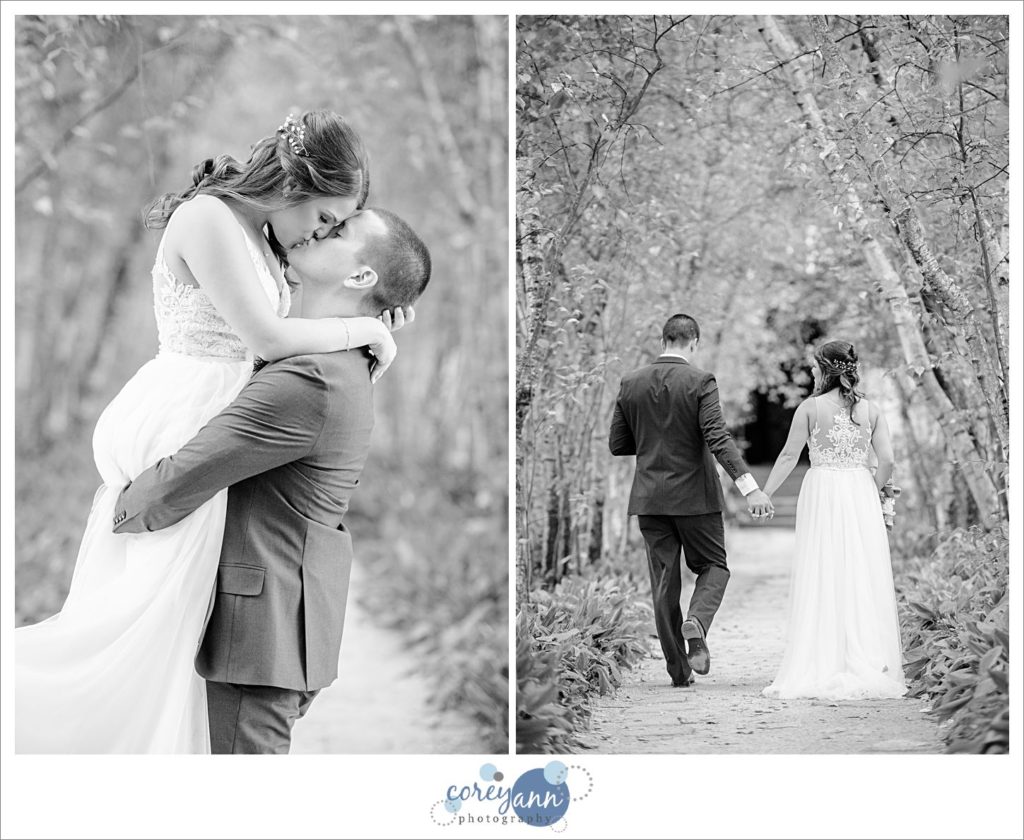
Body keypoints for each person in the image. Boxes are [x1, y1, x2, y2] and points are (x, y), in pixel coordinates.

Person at [15, 110, 404, 753]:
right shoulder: (208, 219)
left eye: (334, 227)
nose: (323, 232)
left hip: (227, 411)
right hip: (185, 412)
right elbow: (270, 338)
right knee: (137, 630)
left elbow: (300, 327)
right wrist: (366, 331)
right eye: (325, 217)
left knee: (174, 640)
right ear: (295, 184)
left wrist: (373, 309)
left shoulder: (267, 237)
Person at [112, 207, 431, 754]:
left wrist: (113, 511)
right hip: (279, 621)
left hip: (259, 632)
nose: (318, 230)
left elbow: (173, 485)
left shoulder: (309, 378)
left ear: (360, 278)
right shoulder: (341, 358)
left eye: (338, 232)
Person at [609, 313, 774, 687]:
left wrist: (655, 444)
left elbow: (618, 444)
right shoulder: (700, 381)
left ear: (663, 338)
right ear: (694, 342)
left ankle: (679, 672)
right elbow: (718, 438)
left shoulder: (630, 383)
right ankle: (697, 622)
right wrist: (751, 488)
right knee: (714, 565)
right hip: (696, 496)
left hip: (650, 499)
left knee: (664, 583)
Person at [761, 340, 907, 700]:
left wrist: (765, 492)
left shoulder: (810, 408)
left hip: (823, 489)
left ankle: (822, 658)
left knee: (823, 568)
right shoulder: (872, 410)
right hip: (860, 490)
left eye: (814, 366)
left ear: (825, 369)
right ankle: (865, 656)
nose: (811, 372)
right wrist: (872, 490)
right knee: (860, 570)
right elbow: (887, 460)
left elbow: (788, 456)